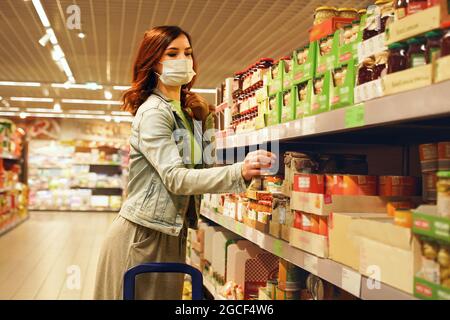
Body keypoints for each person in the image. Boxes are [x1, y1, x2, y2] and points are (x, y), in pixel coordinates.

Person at [93, 25, 276, 300]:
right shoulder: (154, 112)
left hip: (170, 232)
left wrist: (205, 121)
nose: (184, 60)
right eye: (172, 53)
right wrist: (239, 171)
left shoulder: (187, 112)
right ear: (153, 61)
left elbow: (202, 166)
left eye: (188, 53)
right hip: (143, 237)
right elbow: (176, 178)